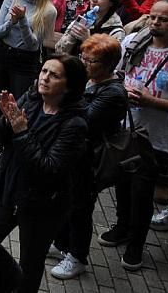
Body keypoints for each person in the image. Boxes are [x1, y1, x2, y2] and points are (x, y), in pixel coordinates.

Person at [100, 0, 168, 270]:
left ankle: (136, 244)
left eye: (163, 19)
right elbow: (115, 73)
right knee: (121, 186)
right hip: (123, 129)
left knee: (142, 195)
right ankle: (122, 227)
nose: (155, 23)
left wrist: (151, 102)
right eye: (153, 17)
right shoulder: (135, 41)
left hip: (155, 140)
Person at [0, 54, 88, 293]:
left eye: (54, 75)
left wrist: (21, 130)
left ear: (69, 85)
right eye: (44, 71)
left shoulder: (74, 123)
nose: (45, 78)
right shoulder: (31, 98)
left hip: (41, 207)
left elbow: (48, 170)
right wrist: (7, 120)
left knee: (29, 266)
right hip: (7, 193)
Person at [50, 34, 128, 280]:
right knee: (67, 202)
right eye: (83, 58)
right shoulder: (90, 81)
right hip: (74, 155)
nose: (84, 64)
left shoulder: (112, 93)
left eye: (91, 61)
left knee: (80, 208)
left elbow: (86, 120)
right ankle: (62, 244)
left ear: (108, 65)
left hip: (90, 161)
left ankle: (78, 257)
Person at [0, 0, 57, 112]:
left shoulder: (48, 10)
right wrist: (11, 22)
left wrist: (22, 20)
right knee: (0, 103)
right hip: (1, 54)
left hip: (24, 61)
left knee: (17, 106)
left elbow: (32, 44)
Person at [55, 0, 125, 54]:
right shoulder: (83, 19)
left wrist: (88, 40)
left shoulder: (116, 32)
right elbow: (59, 51)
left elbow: (109, 63)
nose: (94, 0)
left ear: (111, 2)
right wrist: (72, 36)